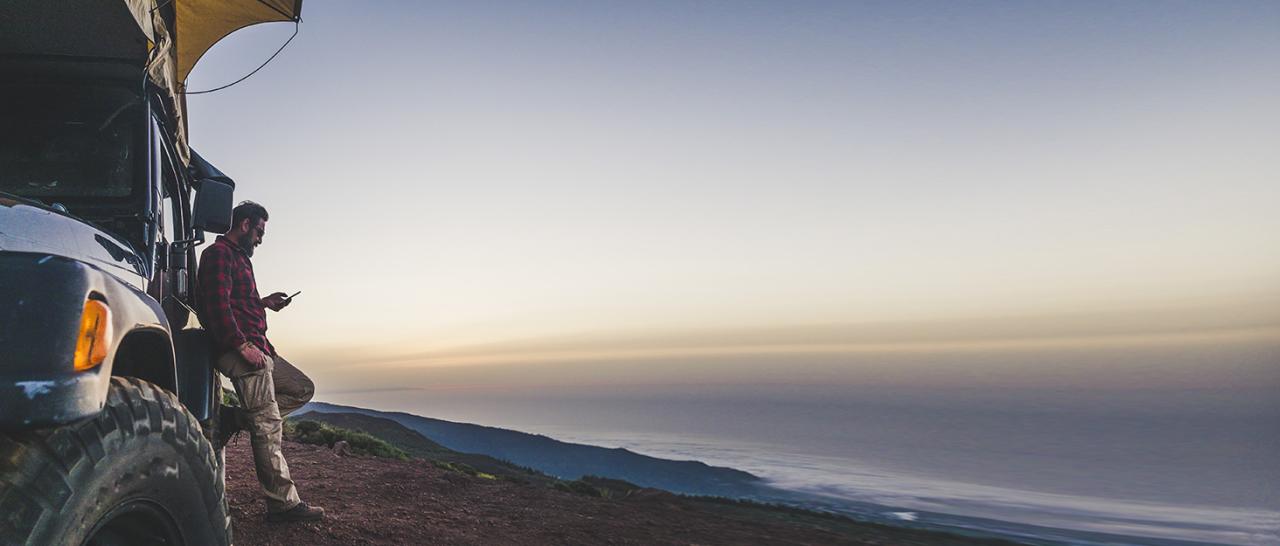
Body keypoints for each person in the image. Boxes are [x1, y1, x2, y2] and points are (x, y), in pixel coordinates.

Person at [196, 201, 326, 522]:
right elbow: (216, 308)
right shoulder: (218, 255)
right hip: (241, 349)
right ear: (244, 225)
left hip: (261, 346)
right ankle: (282, 505)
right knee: (267, 425)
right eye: (259, 231)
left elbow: (237, 302)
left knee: (302, 388)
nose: (260, 238)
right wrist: (242, 346)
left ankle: (235, 420)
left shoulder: (239, 258)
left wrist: (263, 302)